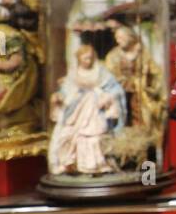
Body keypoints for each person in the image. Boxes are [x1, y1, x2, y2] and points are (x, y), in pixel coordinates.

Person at [47, 43, 125, 176]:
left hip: (95, 109)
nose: (88, 61)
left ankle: (97, 164)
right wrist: (59, 97)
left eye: (90, 58)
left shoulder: (101, 72)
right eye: (85, 59)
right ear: (79, 59)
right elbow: (66, 91)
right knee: (68, 134)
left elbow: (115, 90)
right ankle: (71, 163)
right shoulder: (74, 73)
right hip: (76, 110)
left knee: (94, 136)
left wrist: (108, 97)